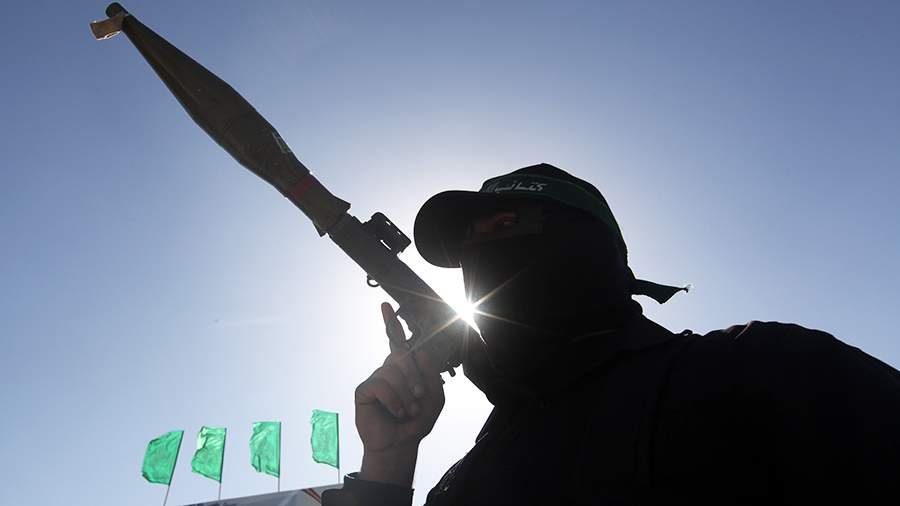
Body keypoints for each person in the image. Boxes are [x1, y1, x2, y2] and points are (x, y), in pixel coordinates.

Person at [322, 163, 900, 505]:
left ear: (586, 242)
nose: (482, 253)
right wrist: (388, 467)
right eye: (470, 242)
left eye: (507, 225)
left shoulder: (760, 370)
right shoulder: (465, 477)